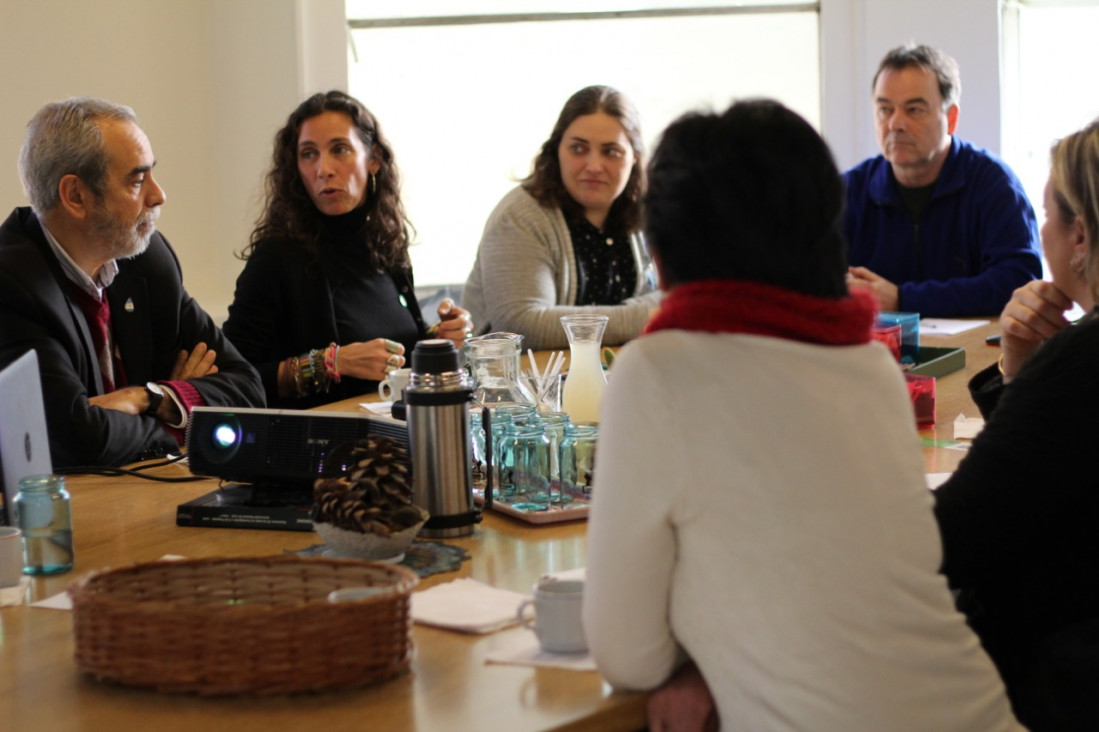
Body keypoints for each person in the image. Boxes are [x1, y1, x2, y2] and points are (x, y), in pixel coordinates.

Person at [583, 99, 1020, 730]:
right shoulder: (870, 367)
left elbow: (629, 655)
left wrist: (708, 650)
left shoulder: (657, 372)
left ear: (664, 248)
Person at [934, 118, 1099, 730]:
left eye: (1048, 213)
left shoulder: (1083, 360)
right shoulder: (1072, 360)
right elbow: (1046, 471)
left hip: (1056, 678)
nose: (1042, 230)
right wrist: (1019, 370)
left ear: (1078, 235)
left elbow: (955, 537)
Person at [0, 98, 264, 467]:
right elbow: (79, 439)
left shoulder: (147, 261)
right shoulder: (13, 284)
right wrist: (183, 416)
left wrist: (150, 399)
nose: (159, 196)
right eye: (138, 180)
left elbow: (249, 389)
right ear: (76, 196)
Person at [223, 91, 472, 409]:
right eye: (309, 154)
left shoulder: (386, 244)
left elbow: (397, 354)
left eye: (339, 149)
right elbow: (233, 381)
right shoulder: (275, 258)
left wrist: (441, 336)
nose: (323, 169)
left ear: (374, 160)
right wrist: (331, 363)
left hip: (394, 435)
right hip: (321, 450)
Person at [844, 43, 1041, 316]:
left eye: (913, 110)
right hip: (875, 353)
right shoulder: (849, 190)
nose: (895, 124)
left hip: (978, 354)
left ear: (951, 118)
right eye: (885, 109)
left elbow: (1020, 281)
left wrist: (903, 299)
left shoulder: (993, 184)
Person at [461, 85, 661, 350]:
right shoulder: (520, 215)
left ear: (634, 158)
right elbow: (524, 326)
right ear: (557, 150)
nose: (593, 166)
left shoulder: (647, 210)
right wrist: (648, 315)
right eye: (578, 149)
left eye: (611, 151)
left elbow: (687, 293)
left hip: (612, 376)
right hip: (513, 385)